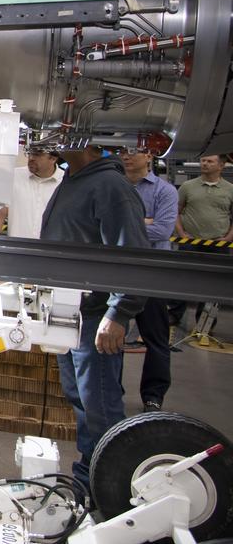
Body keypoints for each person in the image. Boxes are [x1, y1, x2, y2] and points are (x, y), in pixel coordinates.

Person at [40, 146, 148, 493]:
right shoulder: (73, 179)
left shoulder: (111, 187)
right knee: (80, 399)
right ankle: (89, 477)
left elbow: (132, 254)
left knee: (99, 404)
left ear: (88, 141)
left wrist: (119, 312)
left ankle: (112, 489)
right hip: (67, 311)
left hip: (95, 317)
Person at [119, 148, 179, 411]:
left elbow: (163, 230)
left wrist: (124, 224)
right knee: (111, 336)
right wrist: (144, 221)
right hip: (118, 271)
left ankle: (153, 397)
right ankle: (111, 390)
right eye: (123, 151)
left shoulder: (164, 191)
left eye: (135, 151)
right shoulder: (114, 187)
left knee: (155, 339)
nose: (127, 156)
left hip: (151, 273)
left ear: (149, 157)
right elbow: (99, 223)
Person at [0, 148, 63, 237]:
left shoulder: (64, 182)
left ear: (53, 159)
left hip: (51, 248)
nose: (31, 158)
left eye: (37, 154)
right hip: (17, 248)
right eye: (29, 153)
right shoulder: (11, 177)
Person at [175, 154, 233, 251]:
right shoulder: (187, 186)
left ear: (221, 165)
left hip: (219, 243)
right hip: (190, 242)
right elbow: (175, 211)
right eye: (203, 161)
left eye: (210, 161)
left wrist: (228, 238)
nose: (205, 164)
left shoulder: (230, 189)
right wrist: (182, 234)